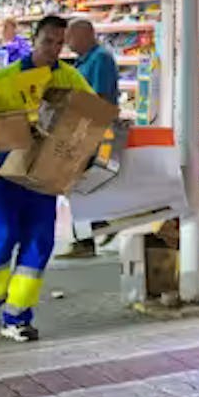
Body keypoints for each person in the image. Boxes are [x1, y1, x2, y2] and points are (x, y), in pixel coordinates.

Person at [0, 15, 93, 342]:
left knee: (40, 240)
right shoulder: (5, 79)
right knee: (3, 233)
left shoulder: (71, 79)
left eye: (59, 43)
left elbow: (92, 116)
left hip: (44, 175)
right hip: (3, 173)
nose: (54, 49)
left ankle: (17, 316)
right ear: (33, 39)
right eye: (48, 42)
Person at [57, 19, 119, 260]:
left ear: (84, 35)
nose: (67, 43)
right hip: (84, 127)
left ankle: (86, 238)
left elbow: (99, 96)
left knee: (81, 184)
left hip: (93, 129)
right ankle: (97, 225)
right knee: (82, 184)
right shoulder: (86, 61)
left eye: (70, 37)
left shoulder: (99, 59)